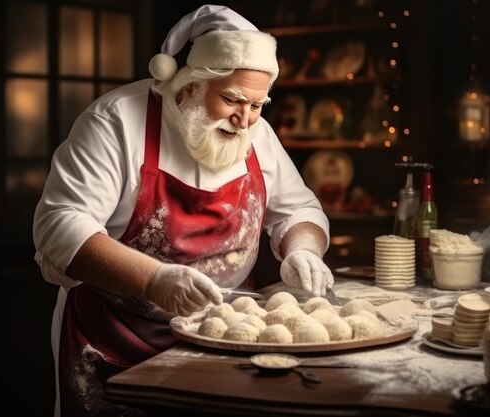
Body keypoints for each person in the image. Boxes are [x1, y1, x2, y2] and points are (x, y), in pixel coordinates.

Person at [32, 4, 333, 417]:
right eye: (231, 99)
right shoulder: (116, 121)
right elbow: (59, 228)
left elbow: (298, 208)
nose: (244, 120)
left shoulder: (254, 131)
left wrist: (303, 249)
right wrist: (155, 280)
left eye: (258, 105)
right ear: (190, 86)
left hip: (223, 337)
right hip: (115, 341)